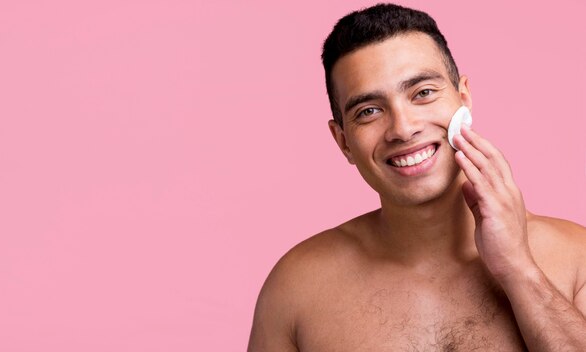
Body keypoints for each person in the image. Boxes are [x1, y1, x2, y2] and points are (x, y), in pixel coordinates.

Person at [247, 3, 586, 351]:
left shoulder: (576, 259)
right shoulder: (297, 289)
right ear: (343, 142)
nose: (403, 128)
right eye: (369, 111)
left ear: (463, 98)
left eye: (423, 93)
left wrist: (519, 269)